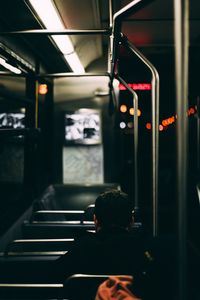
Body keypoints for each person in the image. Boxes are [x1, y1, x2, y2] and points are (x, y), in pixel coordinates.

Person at [54, 190, 200, 299]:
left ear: (95, 220)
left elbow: (55, 278)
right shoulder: (147, 250)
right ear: (131, 221)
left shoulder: (81, 249)